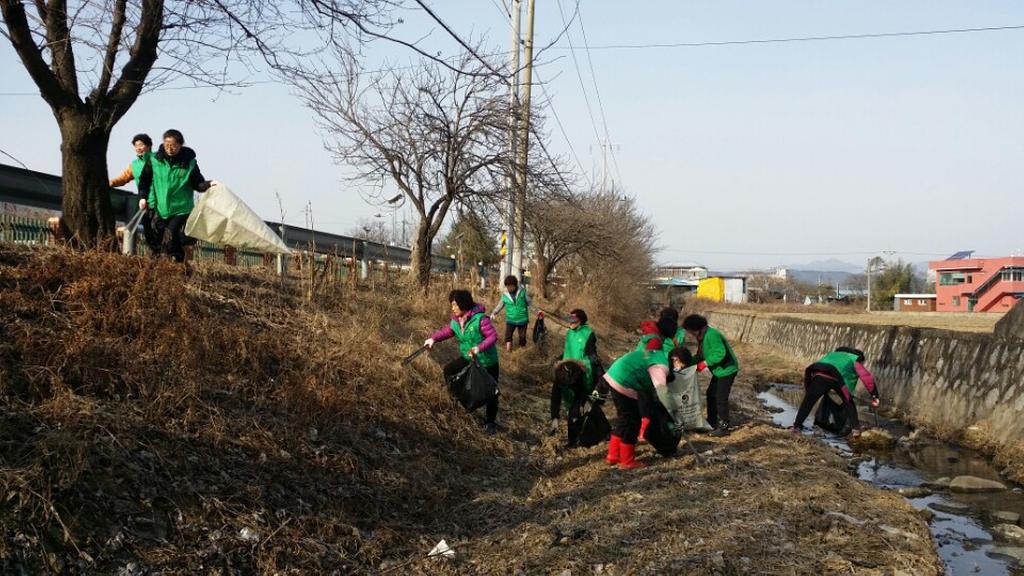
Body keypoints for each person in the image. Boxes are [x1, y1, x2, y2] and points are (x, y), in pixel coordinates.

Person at [424, 289, 501, 435]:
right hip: (468, 357)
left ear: (463, 304)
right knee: (449, 370)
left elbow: (492, 337)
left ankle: (490, 422)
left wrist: (479, 348)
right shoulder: (456, 320)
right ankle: (457, 400)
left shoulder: (481, 319)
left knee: (491, 392)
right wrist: (433, 338)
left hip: (487, 361)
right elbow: (448, 331)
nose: (452, 308)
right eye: (452, 305)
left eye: (455, 305)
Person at [602, 331, 680, 469]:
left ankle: (612, 456)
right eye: (681, 364)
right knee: (633, 422)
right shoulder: (661, 366)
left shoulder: (657, 353)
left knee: (624, 419)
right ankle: (627, 461)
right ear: (675, 359)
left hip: (613, 375)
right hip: (624, 381)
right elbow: (662, 391)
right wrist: (675, 413)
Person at [137, 129, 214, 263]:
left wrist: (209, 184)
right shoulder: (154, 160)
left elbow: (198, 184)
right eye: (167, 145)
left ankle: (178, 263)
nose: (170, 148)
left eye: (173, 145)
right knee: (164, 238)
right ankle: (178, 261)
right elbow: (145, 180)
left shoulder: (189, 163)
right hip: (162, 207)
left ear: (180, 145)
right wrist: (143, 197)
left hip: (181, 208)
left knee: (170, 233)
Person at [791, 347, 880, 436]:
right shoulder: (854, 358)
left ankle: (796, 427)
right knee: (849, 402)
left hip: (818, 374)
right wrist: (874, 395)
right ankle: (855, 430)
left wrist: (809, 390)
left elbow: (821, 366)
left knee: (808, 401)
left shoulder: (833, 354)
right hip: (835, 378)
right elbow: (866, 377)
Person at [682, 314, 739, 437]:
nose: (690, 334)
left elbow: (720, 353)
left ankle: (724, 427)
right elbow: (701, 355)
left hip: (727, 369)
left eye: (691, 331)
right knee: (711, 394)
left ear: (697, 328)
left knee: (720, 397)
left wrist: (705, 363)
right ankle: (712, 422)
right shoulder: (701, 337)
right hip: (719, 371)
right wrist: (688, 364)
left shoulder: (712, 335)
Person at [549, 309, 600, 440]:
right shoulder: (569, 333)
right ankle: (562, 423)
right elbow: (567, 351)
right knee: (564, 396)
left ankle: (588, 433)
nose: (571, 324)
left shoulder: (588, 334)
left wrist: (595, 365)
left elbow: (591, 352)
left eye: (574, 321)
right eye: (570, 321)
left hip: (581, 370)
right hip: (566, 368)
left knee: (581, 402)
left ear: (581, 320)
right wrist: (559, 359)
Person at [491, 275, 537, 351]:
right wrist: (494, 312)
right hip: (510, 320)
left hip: (522, 319)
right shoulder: (505, 295)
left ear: (515, 285)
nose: (509, 288)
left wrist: (537, 311)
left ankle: (522, 349)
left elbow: (530, 303)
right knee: (508, 336)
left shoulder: (522, 292)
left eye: (511, 286)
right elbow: (500, 305)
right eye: (507, 286)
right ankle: (508, 350)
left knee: (522, 337)